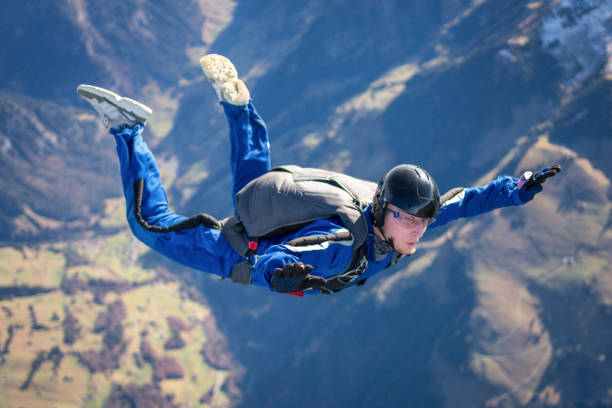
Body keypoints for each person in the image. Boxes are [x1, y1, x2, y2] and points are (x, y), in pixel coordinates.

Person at [76, 54, 561, 296]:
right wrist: (278, 274)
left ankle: (240, 108)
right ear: (383, 212)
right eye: (410, 218)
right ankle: (127, 128)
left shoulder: (390, 215)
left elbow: (459, 203)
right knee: (148, 224)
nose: (419, 226)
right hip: (242, 249)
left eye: (421, 219)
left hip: (272, 204)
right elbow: (292, 255)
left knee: (251, 189)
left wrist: (516, 190)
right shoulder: (337, 246)